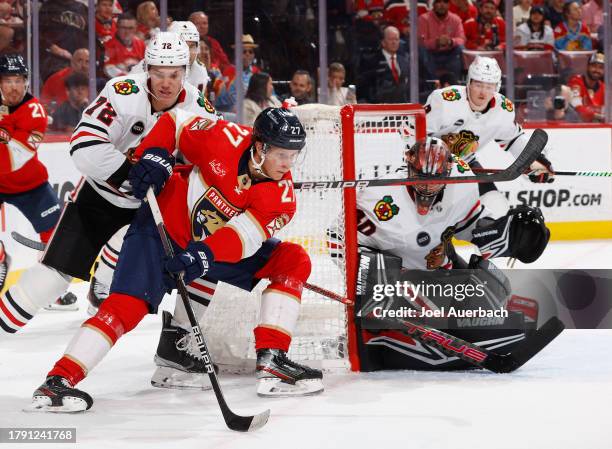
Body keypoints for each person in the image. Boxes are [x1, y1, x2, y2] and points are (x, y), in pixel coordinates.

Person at [30, 107, 324, 412]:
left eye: (294, 155)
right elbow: (175, 122)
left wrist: (205, 255)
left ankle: (272, 360)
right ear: (260, 147)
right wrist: (155, 154)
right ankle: (58, 381)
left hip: (208, 248)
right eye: (282, 154)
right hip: (159, 229)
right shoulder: (222, 137)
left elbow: (243, 237)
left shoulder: (282, 197)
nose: (288, 164)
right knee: (126, 307)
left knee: (291, 259)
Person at [0, 32, 217, 337]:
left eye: (174, 74)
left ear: (185, 71)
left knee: (123, 282)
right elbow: (83, 145)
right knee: (53, 276)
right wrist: (132, 174)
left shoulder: (200, 110)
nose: (166, 83)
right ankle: (5, 318)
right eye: (158, 74)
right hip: (98, 197)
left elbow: (210, 170)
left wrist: (172, 174)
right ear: (147, 68)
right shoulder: (122, 91)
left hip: (149, 208)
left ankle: (102, 298)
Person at [349, 137, 551, 371]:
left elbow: (470, 225)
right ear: (409, 167)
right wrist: (373, 277)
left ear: (448, 172)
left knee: (494, 286)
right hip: (400, 281)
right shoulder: (377, 198)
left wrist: (503, 233)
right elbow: (338, 239)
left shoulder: (462, 183)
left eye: (436, 182)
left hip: (439, 270)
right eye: (420, 179)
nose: (426, 188)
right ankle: (389, 337)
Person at [424, 56, 555, 217]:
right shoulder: (444, 100)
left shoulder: (503, 109)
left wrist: (534, 161)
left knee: (497, 209)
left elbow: (513, 140)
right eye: (478, 84)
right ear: (469, 82)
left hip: (466, 164)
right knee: (433, 219)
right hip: (430, 169)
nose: (483, 92)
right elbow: (414, 133)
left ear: (497, 87)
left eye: (489, 86)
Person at [0, 54, 76, 311]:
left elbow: (15, 158)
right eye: (7, 80)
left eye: (18, 80)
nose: (13, 86)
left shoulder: (35, 112)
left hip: (29, 185)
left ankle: (49, 290)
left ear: (26, 82)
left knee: (56, 236)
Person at [130, 21, 209, 94]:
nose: (187, 52)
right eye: (181, 45)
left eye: (192, 46)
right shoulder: (145, 68)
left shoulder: (199, 70)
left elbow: (194, 106)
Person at [357, 26, 410, 103]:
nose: (394, 42)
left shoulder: (404, 61)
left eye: (396, 39)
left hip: (401, 107)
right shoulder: (371, 61)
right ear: (383, 42)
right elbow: (364, 86)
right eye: (391, 39)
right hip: (379, 107)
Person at [417, 0, 466, 82]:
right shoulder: (423, 19)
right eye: (439, 2)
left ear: (449, 5)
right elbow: (421, 43)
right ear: (433, 4)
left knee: (460, 48)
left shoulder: (455, 19)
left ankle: (454, 83)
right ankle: (432, 84)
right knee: (421, 50)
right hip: (431, 55)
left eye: (445, 2)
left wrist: (450, 41)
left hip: (449, 55)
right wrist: (437, 42)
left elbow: (462, 39)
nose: (442, 5)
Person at [41, 48, 89, 113]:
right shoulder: (56, 79)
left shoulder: (96, 82)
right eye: (80, 61)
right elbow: (43, 104)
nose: (83, 65)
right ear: (72, 62)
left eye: (87, 62)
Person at [103, 13, 145, 78]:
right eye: (124, 28)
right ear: (117, 27)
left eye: (131, 28)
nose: (127, 31)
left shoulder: (141, 44)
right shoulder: (109, 45)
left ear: (136, 28)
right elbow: (108, 68)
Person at [567, 51, 605, 122]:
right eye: (594, 66)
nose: (597, 70)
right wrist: (598, 115)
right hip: (578, 125)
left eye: (601, 67)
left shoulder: (604, 88)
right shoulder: (575, 81)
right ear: (587, 66)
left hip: (599, 127)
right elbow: (577, 106)